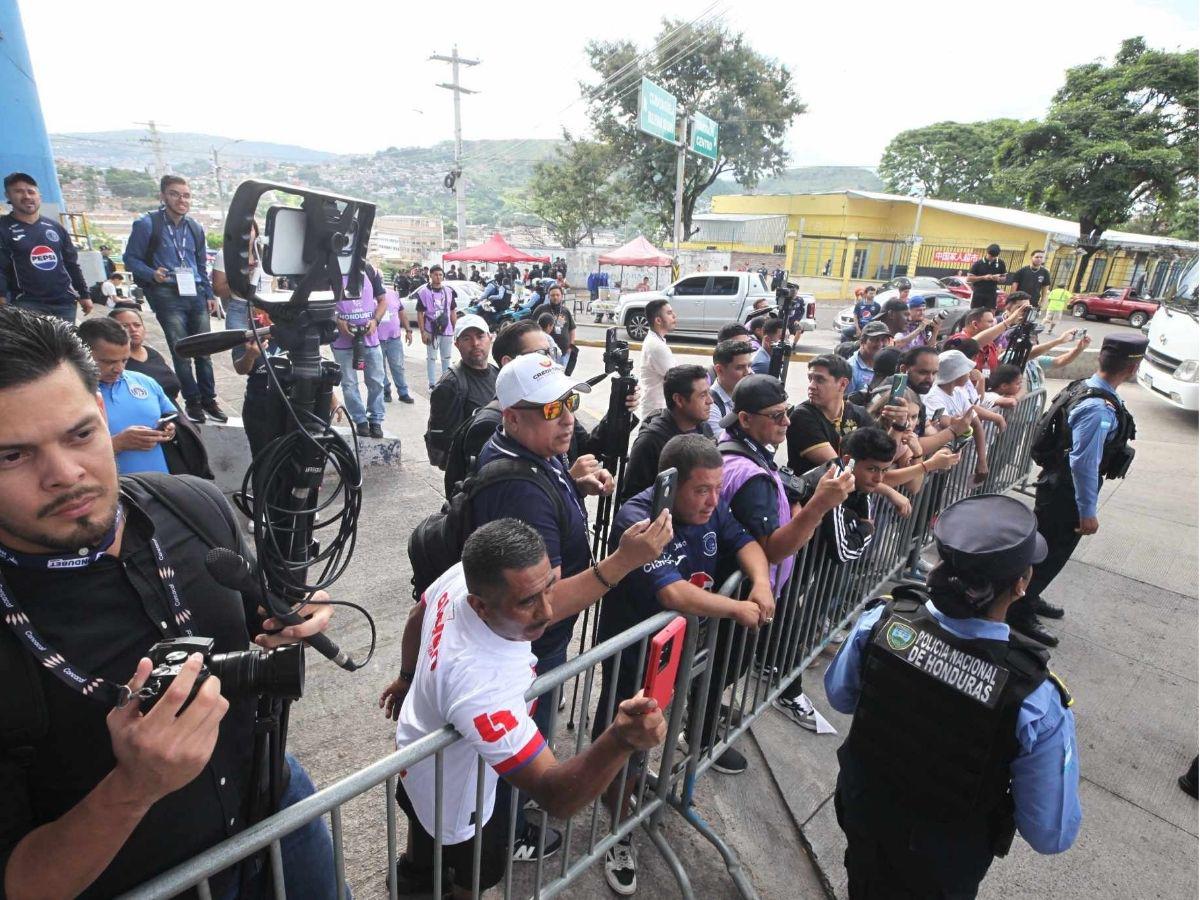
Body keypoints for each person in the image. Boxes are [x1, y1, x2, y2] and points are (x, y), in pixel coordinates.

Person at [0, 306, 340, 899]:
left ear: (102, 412)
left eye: (80, 433)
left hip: (281, 819)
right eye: (12, 455)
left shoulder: (193, 505)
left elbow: (259, 606)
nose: (65, 473)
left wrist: (291, 611)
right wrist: (132, 788)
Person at [379, 520, 668, 899]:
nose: (547, 610)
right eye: (528, 601)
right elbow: (554, 794)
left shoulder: (463, 576)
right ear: (480, 606)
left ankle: (409, 881)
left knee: (420, 838)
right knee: (473, 876)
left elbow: (418, 615)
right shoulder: (481, 686)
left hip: (416, 758)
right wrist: (620, 740)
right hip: (460, 802)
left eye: (550, 584)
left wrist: (406, 676)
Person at [469, 353, 674, 860]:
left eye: (569, 402)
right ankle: (512, 834)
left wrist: (570, 481)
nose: (566, 419)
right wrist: (623, 562)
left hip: (535, 652)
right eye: (549, 410)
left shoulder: (533, 456)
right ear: (511, 417)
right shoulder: (519, 485)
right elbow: (545, 604)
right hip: (532, 652)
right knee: (521, 753)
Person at [825, 494, 1081, 898]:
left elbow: (840, 696)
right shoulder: (1035, 699)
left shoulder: (885, 620)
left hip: (864, 813)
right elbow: (1050, 832)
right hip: (942, 861)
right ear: (1020, 584)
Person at [595, 434, 774, 893]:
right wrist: (735, 607)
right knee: (623, 740)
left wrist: (760, 583)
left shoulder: (711, 507)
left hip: (679, 652)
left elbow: (745, 541)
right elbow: (671, 593)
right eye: (701, 490)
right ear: (670, 483)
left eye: (717, 489)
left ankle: (643, 786)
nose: (713, 500)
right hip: (633, 655)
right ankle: (618, 832)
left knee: (654, 731)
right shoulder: (638, 518)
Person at [718, 376, 856, 731]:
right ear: (745, 419)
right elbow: (773, 550)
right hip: (739, 599)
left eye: (788, 412)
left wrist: (796, 505)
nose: (787, 422)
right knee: (725, 669)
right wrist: (819, 506)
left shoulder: (744, 447)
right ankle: (699, 734)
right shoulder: (747, 473)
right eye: (777, 415)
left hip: (747, 596)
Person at [1012, 333, 1144, 648]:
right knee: (1050, 551)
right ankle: (1019, 608)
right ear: (1132, 367)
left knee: (1045, 548)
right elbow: (1084, 464)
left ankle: (1030, 595)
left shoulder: (1091, 387)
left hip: (1060, 485)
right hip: (1066, 491)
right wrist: (1088, 511)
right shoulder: (1098, 407)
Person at [123, 176, 226, 425]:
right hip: (166, 293)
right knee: (182, 351)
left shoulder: (195, 228)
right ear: (163, 196)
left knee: (205, 349)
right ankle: (192, 401)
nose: (181, 200)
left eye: (186, 195)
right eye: (175, 194)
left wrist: (209, 294)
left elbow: (200, 264)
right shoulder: (147, 224)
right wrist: (151, 274)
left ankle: (209, 399)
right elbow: (131, 259)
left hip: (194, 292)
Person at [77, 317, 176, 475]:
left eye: (124, 360)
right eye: (108, 362)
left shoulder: (144, 381)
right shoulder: (70, 396)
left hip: (161, 486)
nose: (119, 369)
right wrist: (117, 444)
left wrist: (168, 428)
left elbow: (169, 414)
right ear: (82, 353)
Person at [0, 172, 92, 322]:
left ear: (39, 196)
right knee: (32, 346)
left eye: (31, 191)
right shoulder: (3, 227)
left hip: (64, 304)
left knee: (64, 345)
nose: (27, 196)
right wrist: (2, 298)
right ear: (8, 196)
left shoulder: (56, 227)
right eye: (18, 191)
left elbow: (71, 264)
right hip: (25, 304)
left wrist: (84, 294)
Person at [620, 365, 714, 503]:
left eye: (709, 393)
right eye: (702, 395)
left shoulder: (704, 429)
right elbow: (632, 499)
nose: (710, 401)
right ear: (679, 400)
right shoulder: (650, 442)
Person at [424, 314, 498, 469]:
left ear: (490, 338)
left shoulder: (498, 375)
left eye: (480, 336)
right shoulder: (450, 385)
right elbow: (443, 443)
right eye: (466, 338)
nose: (475, 343)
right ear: (456, 344)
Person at [331, 263, 389, 439]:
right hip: (342, 341)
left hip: (370, 339)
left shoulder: (368, 269)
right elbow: (320, 303)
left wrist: (375, 321)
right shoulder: (330, 268)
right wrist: (337, 321)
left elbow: (383, 301)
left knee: (376, 381)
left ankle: (376, 420)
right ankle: (360, 421)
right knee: (349, 384)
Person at [786, 354, 871, 473]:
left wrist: (899, 426)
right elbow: (838, 470)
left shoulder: (859, 413)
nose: (811, 386)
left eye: (820, 380)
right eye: (810, 378)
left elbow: (883, 456)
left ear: (843, 384)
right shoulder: (801, 416)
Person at [921, 349, 992, 486]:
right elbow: (946, 423)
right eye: (965, 370)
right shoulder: (933, 396)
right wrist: (957, 422)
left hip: (947, 461)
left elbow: (976, 424)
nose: (969, 373)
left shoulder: (959, 393)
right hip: (931, 461)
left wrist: (982, 460)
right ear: (956, 374)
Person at [108, 306, 181, 403]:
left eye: (137, 325)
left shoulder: (153, 353)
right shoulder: (113, 363)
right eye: (124, 326)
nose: (133, 329)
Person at [949, 298, 1031, 377]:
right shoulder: (957, 340)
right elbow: (971, 344)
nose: (994, 325)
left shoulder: (990, 344)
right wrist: (1009, 321)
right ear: (975, 324)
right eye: (990, 322)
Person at [415, 265, 457, 391]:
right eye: (435, 274)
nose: (438, 277)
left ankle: (445, 383)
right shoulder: (424, 292)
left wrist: (455, 329)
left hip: (447, 330)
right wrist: (422, 332)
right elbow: (420, 313)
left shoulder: (448, 291)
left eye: (440, 274)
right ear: (431, 276)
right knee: (431, 358)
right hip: (431, 330)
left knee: (446, 358)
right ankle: (432, 384)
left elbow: (453, 311)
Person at [376, 278, 415, 405]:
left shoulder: (393, 294)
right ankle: (386, 391)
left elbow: (402, 314)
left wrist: (408, 330)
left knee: (398, 366)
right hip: (376, 339)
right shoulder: (369, 295)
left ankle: (403, 393)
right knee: (380, 368)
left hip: (394, 338)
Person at [638, 298, 677, 419]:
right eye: (669, 313)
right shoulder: (656, 346)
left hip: (657, 409)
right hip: (656, 412)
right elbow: (677, 378)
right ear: (658, 320)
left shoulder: (656, 340)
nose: (674, 316)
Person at [709, 339, 755, 432]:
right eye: (740, 367)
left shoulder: (750, 393)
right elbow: (721, 443)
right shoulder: (710, 406)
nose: (748, 372)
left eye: (749, 366)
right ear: (719, 370)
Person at [529, 284, 576, 361]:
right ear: (548, 296)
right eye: (553, 295)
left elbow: (572, 329)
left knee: (563, 373)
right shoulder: (541, 309)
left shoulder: (565, 311)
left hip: (564, 354)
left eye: (558, 295)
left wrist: (571, 345)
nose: (555, 297)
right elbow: (532, 328)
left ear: (562, 296)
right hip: (546, 355)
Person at [846, 323, 892, 397]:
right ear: (862, 342)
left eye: (884, 340)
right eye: (875, 339)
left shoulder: (888, 365)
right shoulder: (851, 369)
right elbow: (845, 403)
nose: (880, 344)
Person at [968, 243, 1008, 310]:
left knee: (990, 313)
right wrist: (983, 277)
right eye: (990, 256)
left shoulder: (1001, 263)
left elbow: (1004, 278)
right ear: (987, 252)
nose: (992, 258)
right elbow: (969, 278)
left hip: (991, 293)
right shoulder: (978, 263)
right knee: (975, 313)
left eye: (994, 257)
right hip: (978, 292)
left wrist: (998, 278)